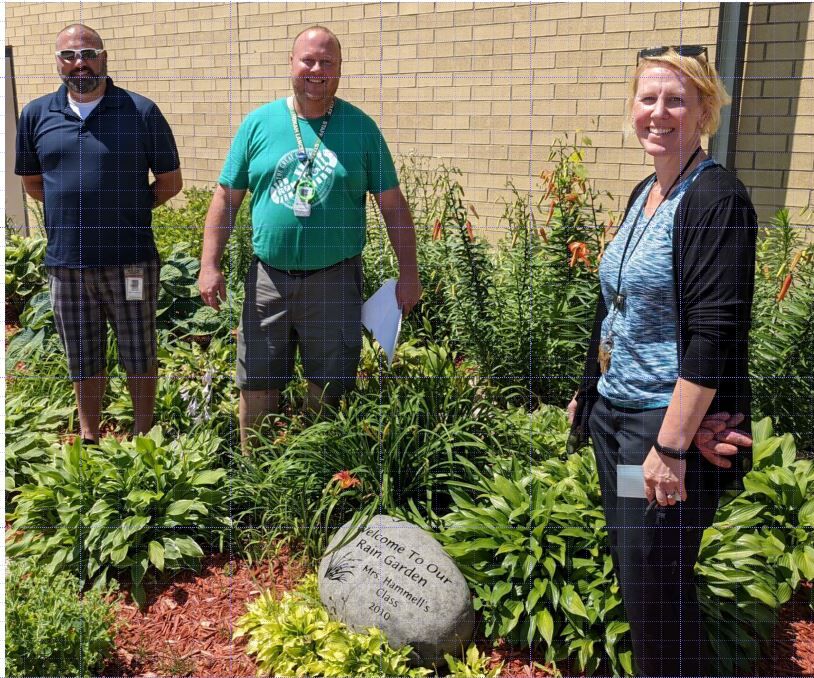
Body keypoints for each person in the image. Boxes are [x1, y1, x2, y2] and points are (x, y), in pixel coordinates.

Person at [567, 46, 757, 676]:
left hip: (663, 434)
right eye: (648, 99)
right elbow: (616, 305)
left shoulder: (715, 200)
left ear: (704, 110)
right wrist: (588, 387)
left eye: (677, 100)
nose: (659, 112)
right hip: (619, 431)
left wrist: (672, 447)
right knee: (641, 570)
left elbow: (714, 331)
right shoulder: (646, 192)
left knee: (659, 590)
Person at [198, 25, 421, 448]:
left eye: (328, 62)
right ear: (292, 65)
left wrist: (409, 274)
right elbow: (226, 198)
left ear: (339, 69)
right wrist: (209, 264)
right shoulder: (258, 124)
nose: (317, 69)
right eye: (309, 60)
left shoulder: (361, 128)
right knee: (257, 378)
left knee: (331, 380)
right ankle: (256, 472)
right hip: (268, 279)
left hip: (334, 279)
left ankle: (317, 470)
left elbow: (393, 207)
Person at [15, 24, 182, 444]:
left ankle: (144, 437)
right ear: (57, 63)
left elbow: (170, 181)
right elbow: (32, 183)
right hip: (66, 264)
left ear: (104, 57)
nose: (78, 63)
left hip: (131, 261)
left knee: (139, 350)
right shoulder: (36, 114)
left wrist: (128, 212)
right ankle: (89, 436)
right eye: (68, 56)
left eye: (87, 53)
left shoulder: (141, 111)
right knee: (81, 353)